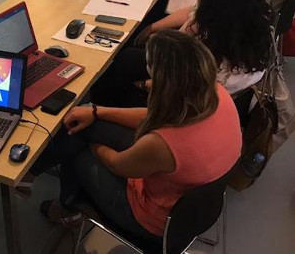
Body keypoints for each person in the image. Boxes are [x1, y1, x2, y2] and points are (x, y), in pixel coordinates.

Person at [31, 31, 241, 240]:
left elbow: (116, 164)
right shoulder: (216, 94)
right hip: (200, 203)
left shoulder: (162, 145)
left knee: (77, 151)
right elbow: (154, 117)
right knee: (87, 127)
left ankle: (66, 208)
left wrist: (91, 144)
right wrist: (97, 111)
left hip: (152, 222)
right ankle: (35, 173)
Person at [94, 0, 272, 106]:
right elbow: (192, 14)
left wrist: (145, 84)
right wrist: (152, 28)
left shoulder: (216, 70)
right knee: (127, 57)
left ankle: (94, 115)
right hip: (186, 81)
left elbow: (180, 95)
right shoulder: (245, 32)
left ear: (214, 13)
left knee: (111, 78)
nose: (197, 6)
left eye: (201, 1)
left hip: (177, 109)